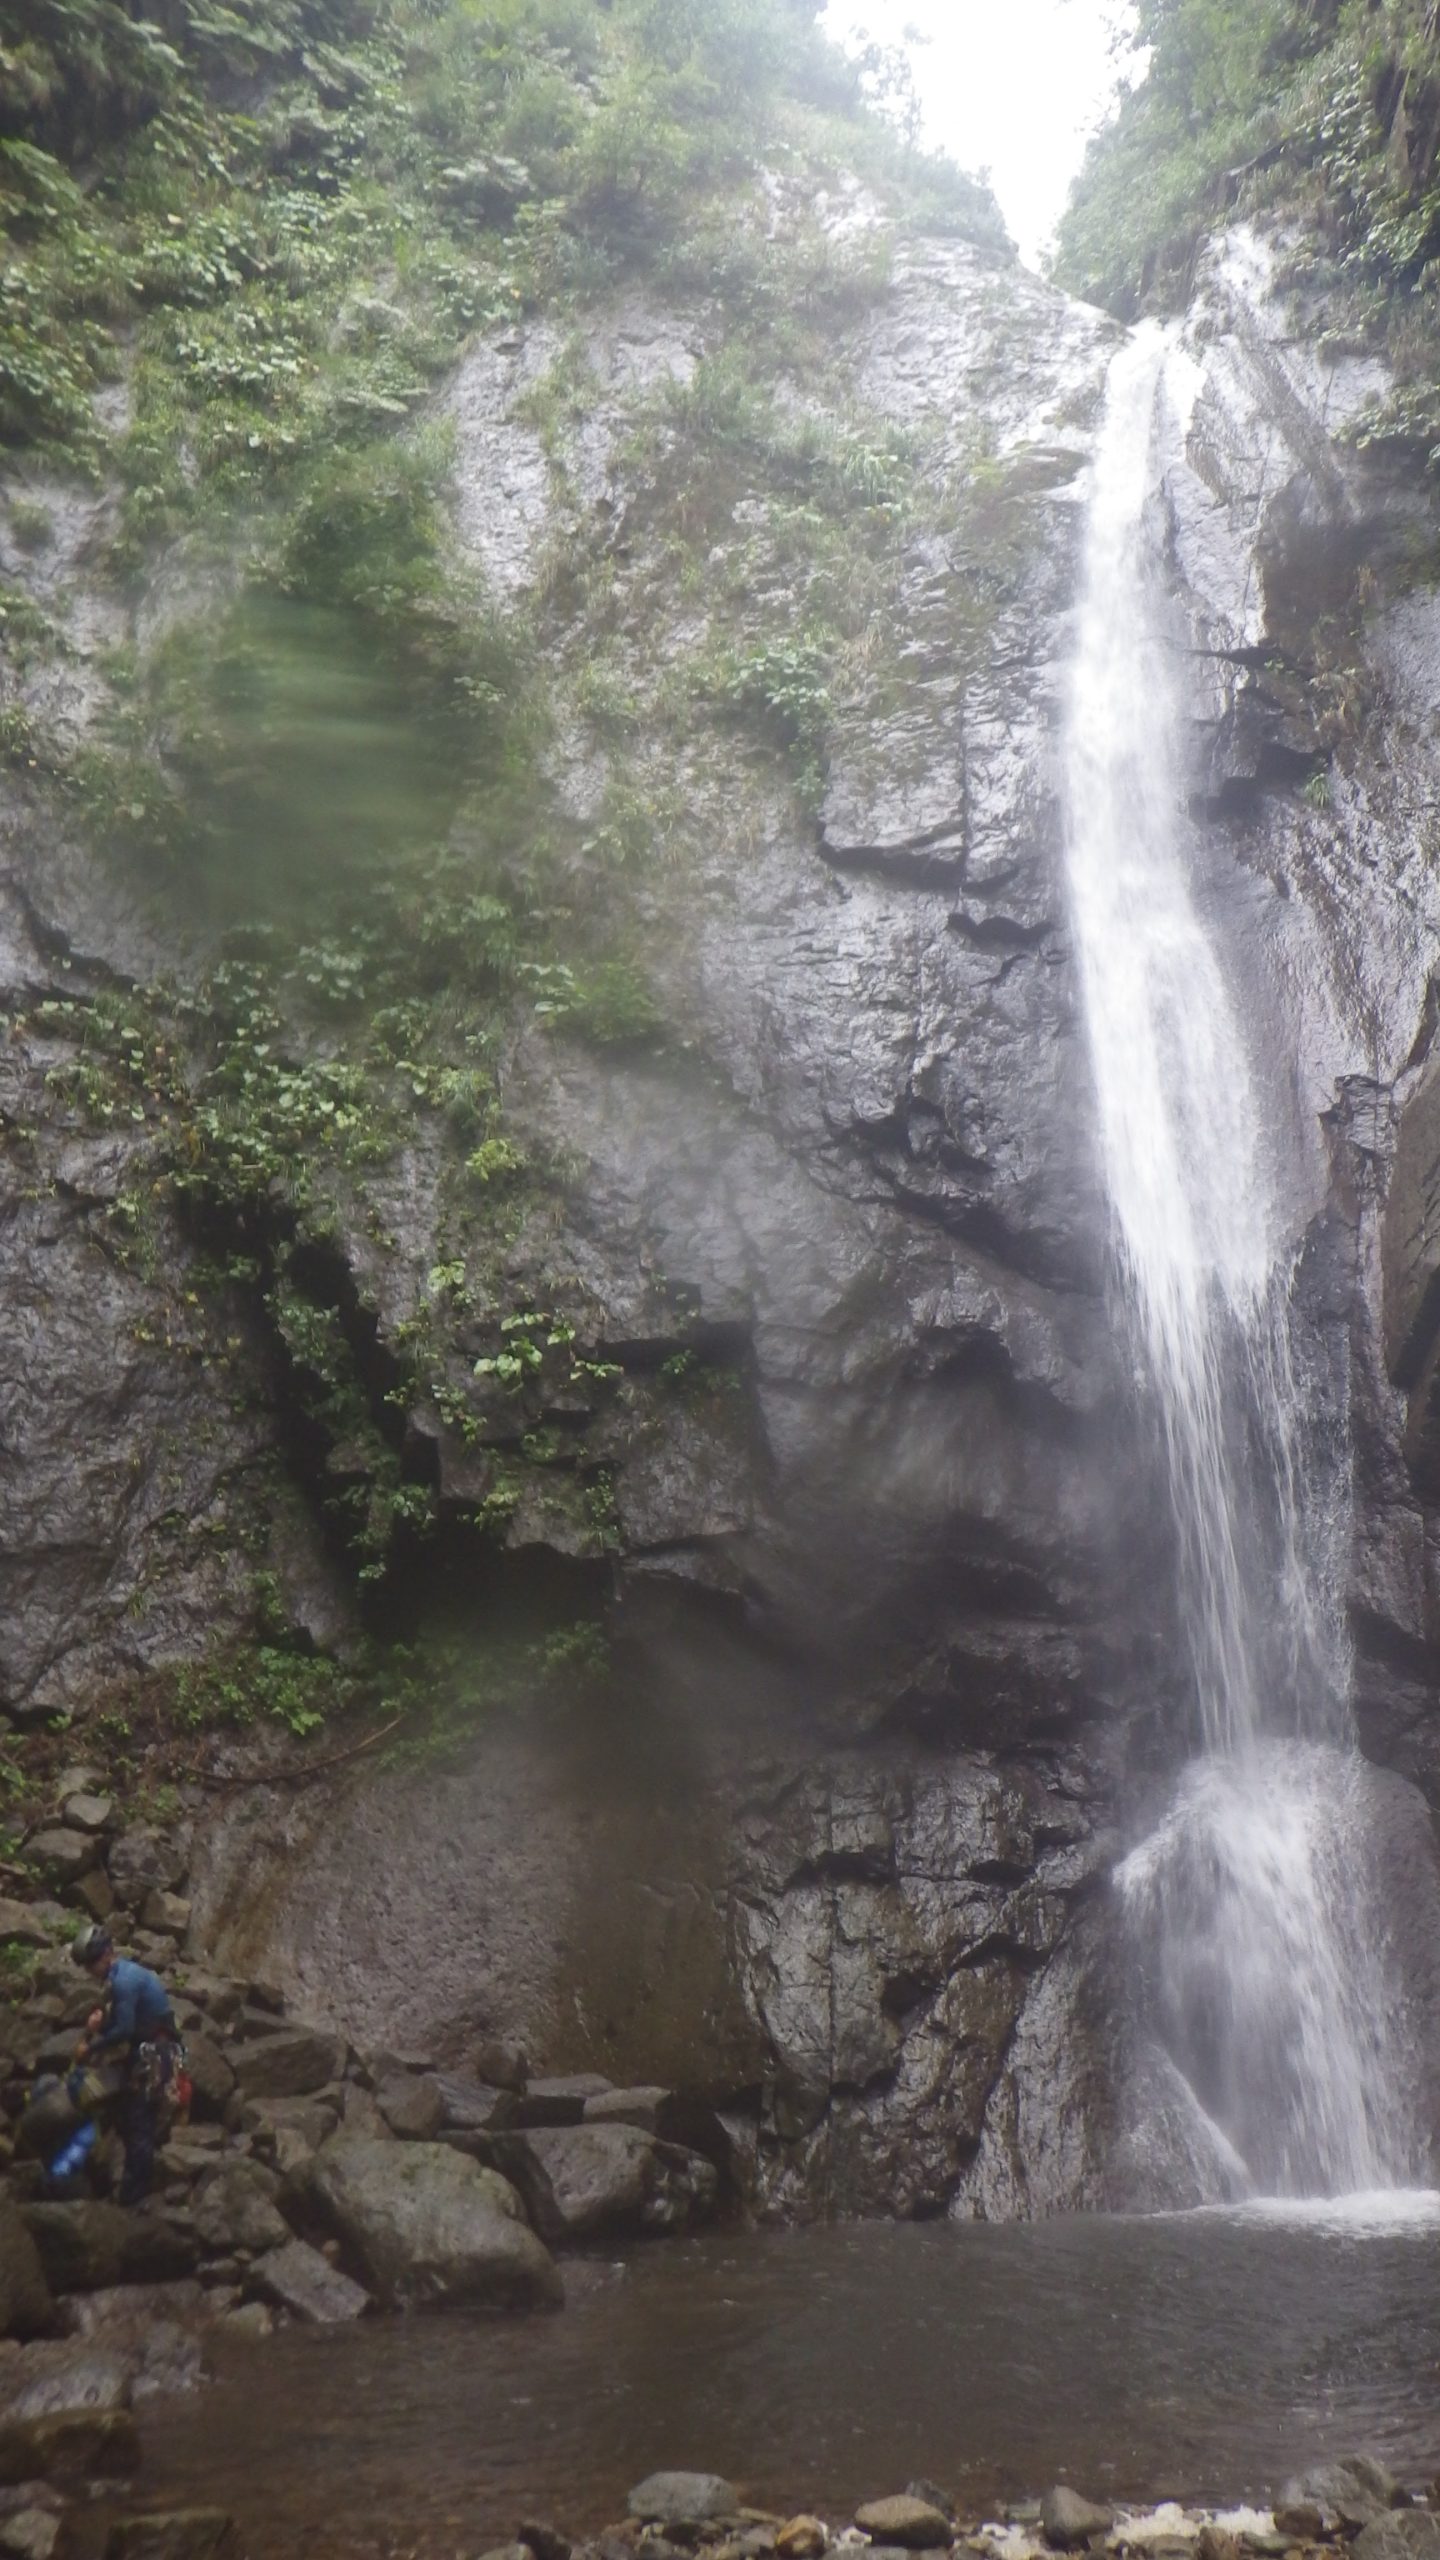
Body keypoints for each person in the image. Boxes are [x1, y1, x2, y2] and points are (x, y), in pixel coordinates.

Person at [71, 1924, 179, 2207]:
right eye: (86, 1965)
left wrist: (91, 2045)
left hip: (156, 2053)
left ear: (107, 1954)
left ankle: (135, 2199)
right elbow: (123, 2022)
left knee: (139, 2121)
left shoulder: (123, 1982)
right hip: (150, 2047)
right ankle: (131, 2182)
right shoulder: (124, 1974)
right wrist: (99, 2025)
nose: (89, 1971)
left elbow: (125, 2029)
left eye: (91, 1963)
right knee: (129, 2115)